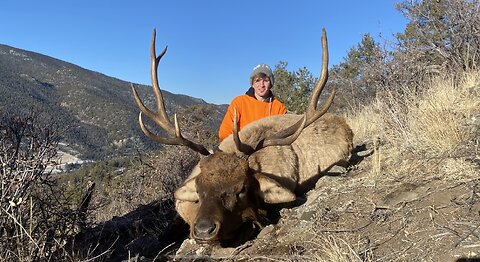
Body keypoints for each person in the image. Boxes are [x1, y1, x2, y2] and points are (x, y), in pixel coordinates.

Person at [218, 64, 287, 142]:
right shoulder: (239, 102)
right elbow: (224, 133)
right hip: (241, 151)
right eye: (257, 80)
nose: (261, 85)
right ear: (252, 84)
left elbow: (284, 136)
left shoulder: (279, 108)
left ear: (270, 84)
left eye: (266, 80)